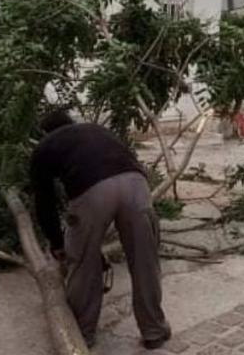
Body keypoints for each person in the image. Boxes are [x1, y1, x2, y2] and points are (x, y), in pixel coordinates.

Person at [30, 112, 171, 349]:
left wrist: (57, 243)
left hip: (92, 191)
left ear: (43, 133)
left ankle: (82, 335)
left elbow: (45, 202)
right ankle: (154, 330)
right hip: (136, 183)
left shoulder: (44, 147)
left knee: (83, 262)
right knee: (145, 260)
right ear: (71, 124)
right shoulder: (96, 130)